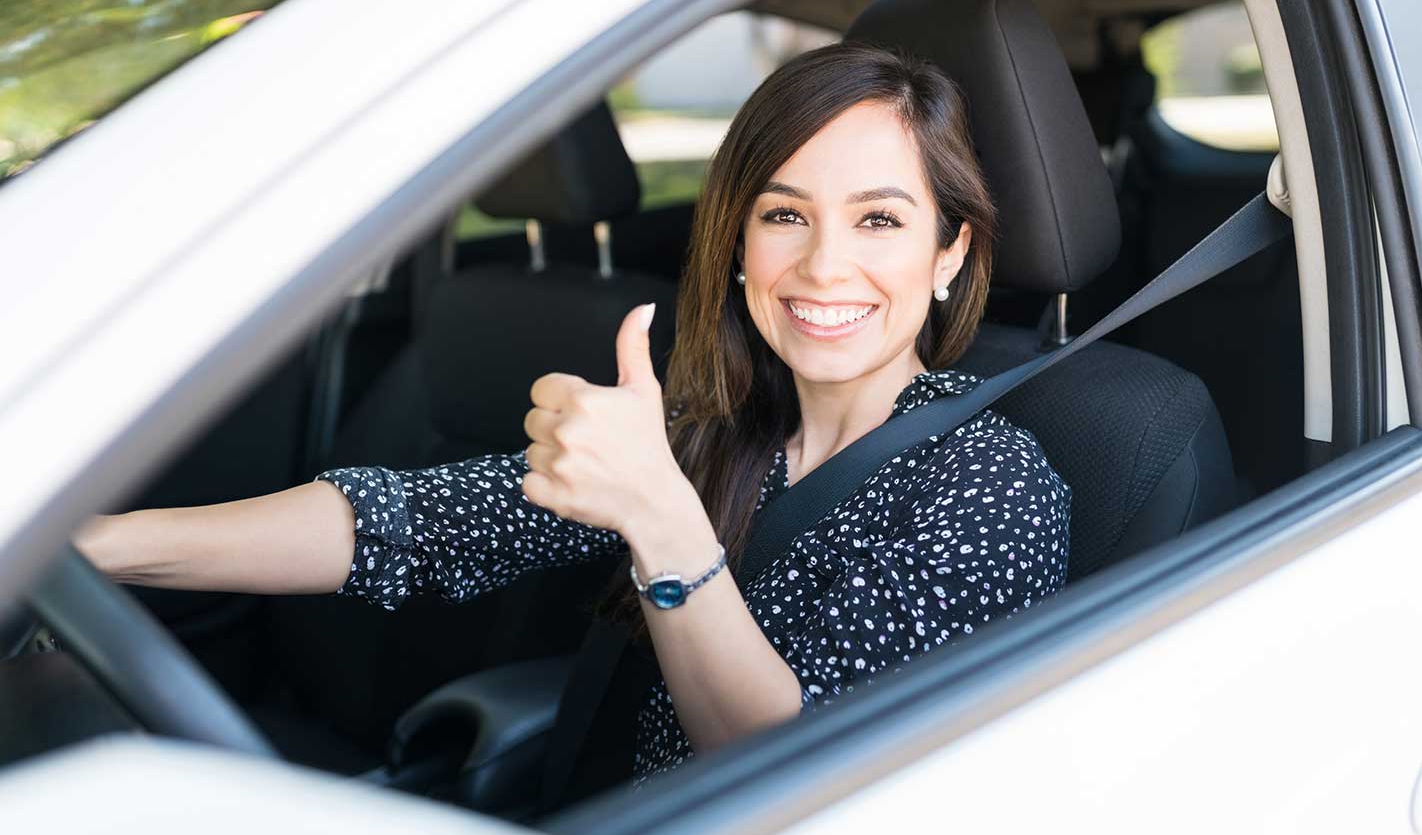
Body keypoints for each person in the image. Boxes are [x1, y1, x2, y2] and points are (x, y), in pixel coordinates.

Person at [77, 42, 1072, 788]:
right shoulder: (708, 428)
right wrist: (91, 549)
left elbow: (807, 774)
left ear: (950, 254)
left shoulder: (992, 486)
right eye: (783, 214)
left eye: (880, 219)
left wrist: (662, 523)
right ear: (735, 242)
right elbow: (413, 529)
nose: (821, 265)